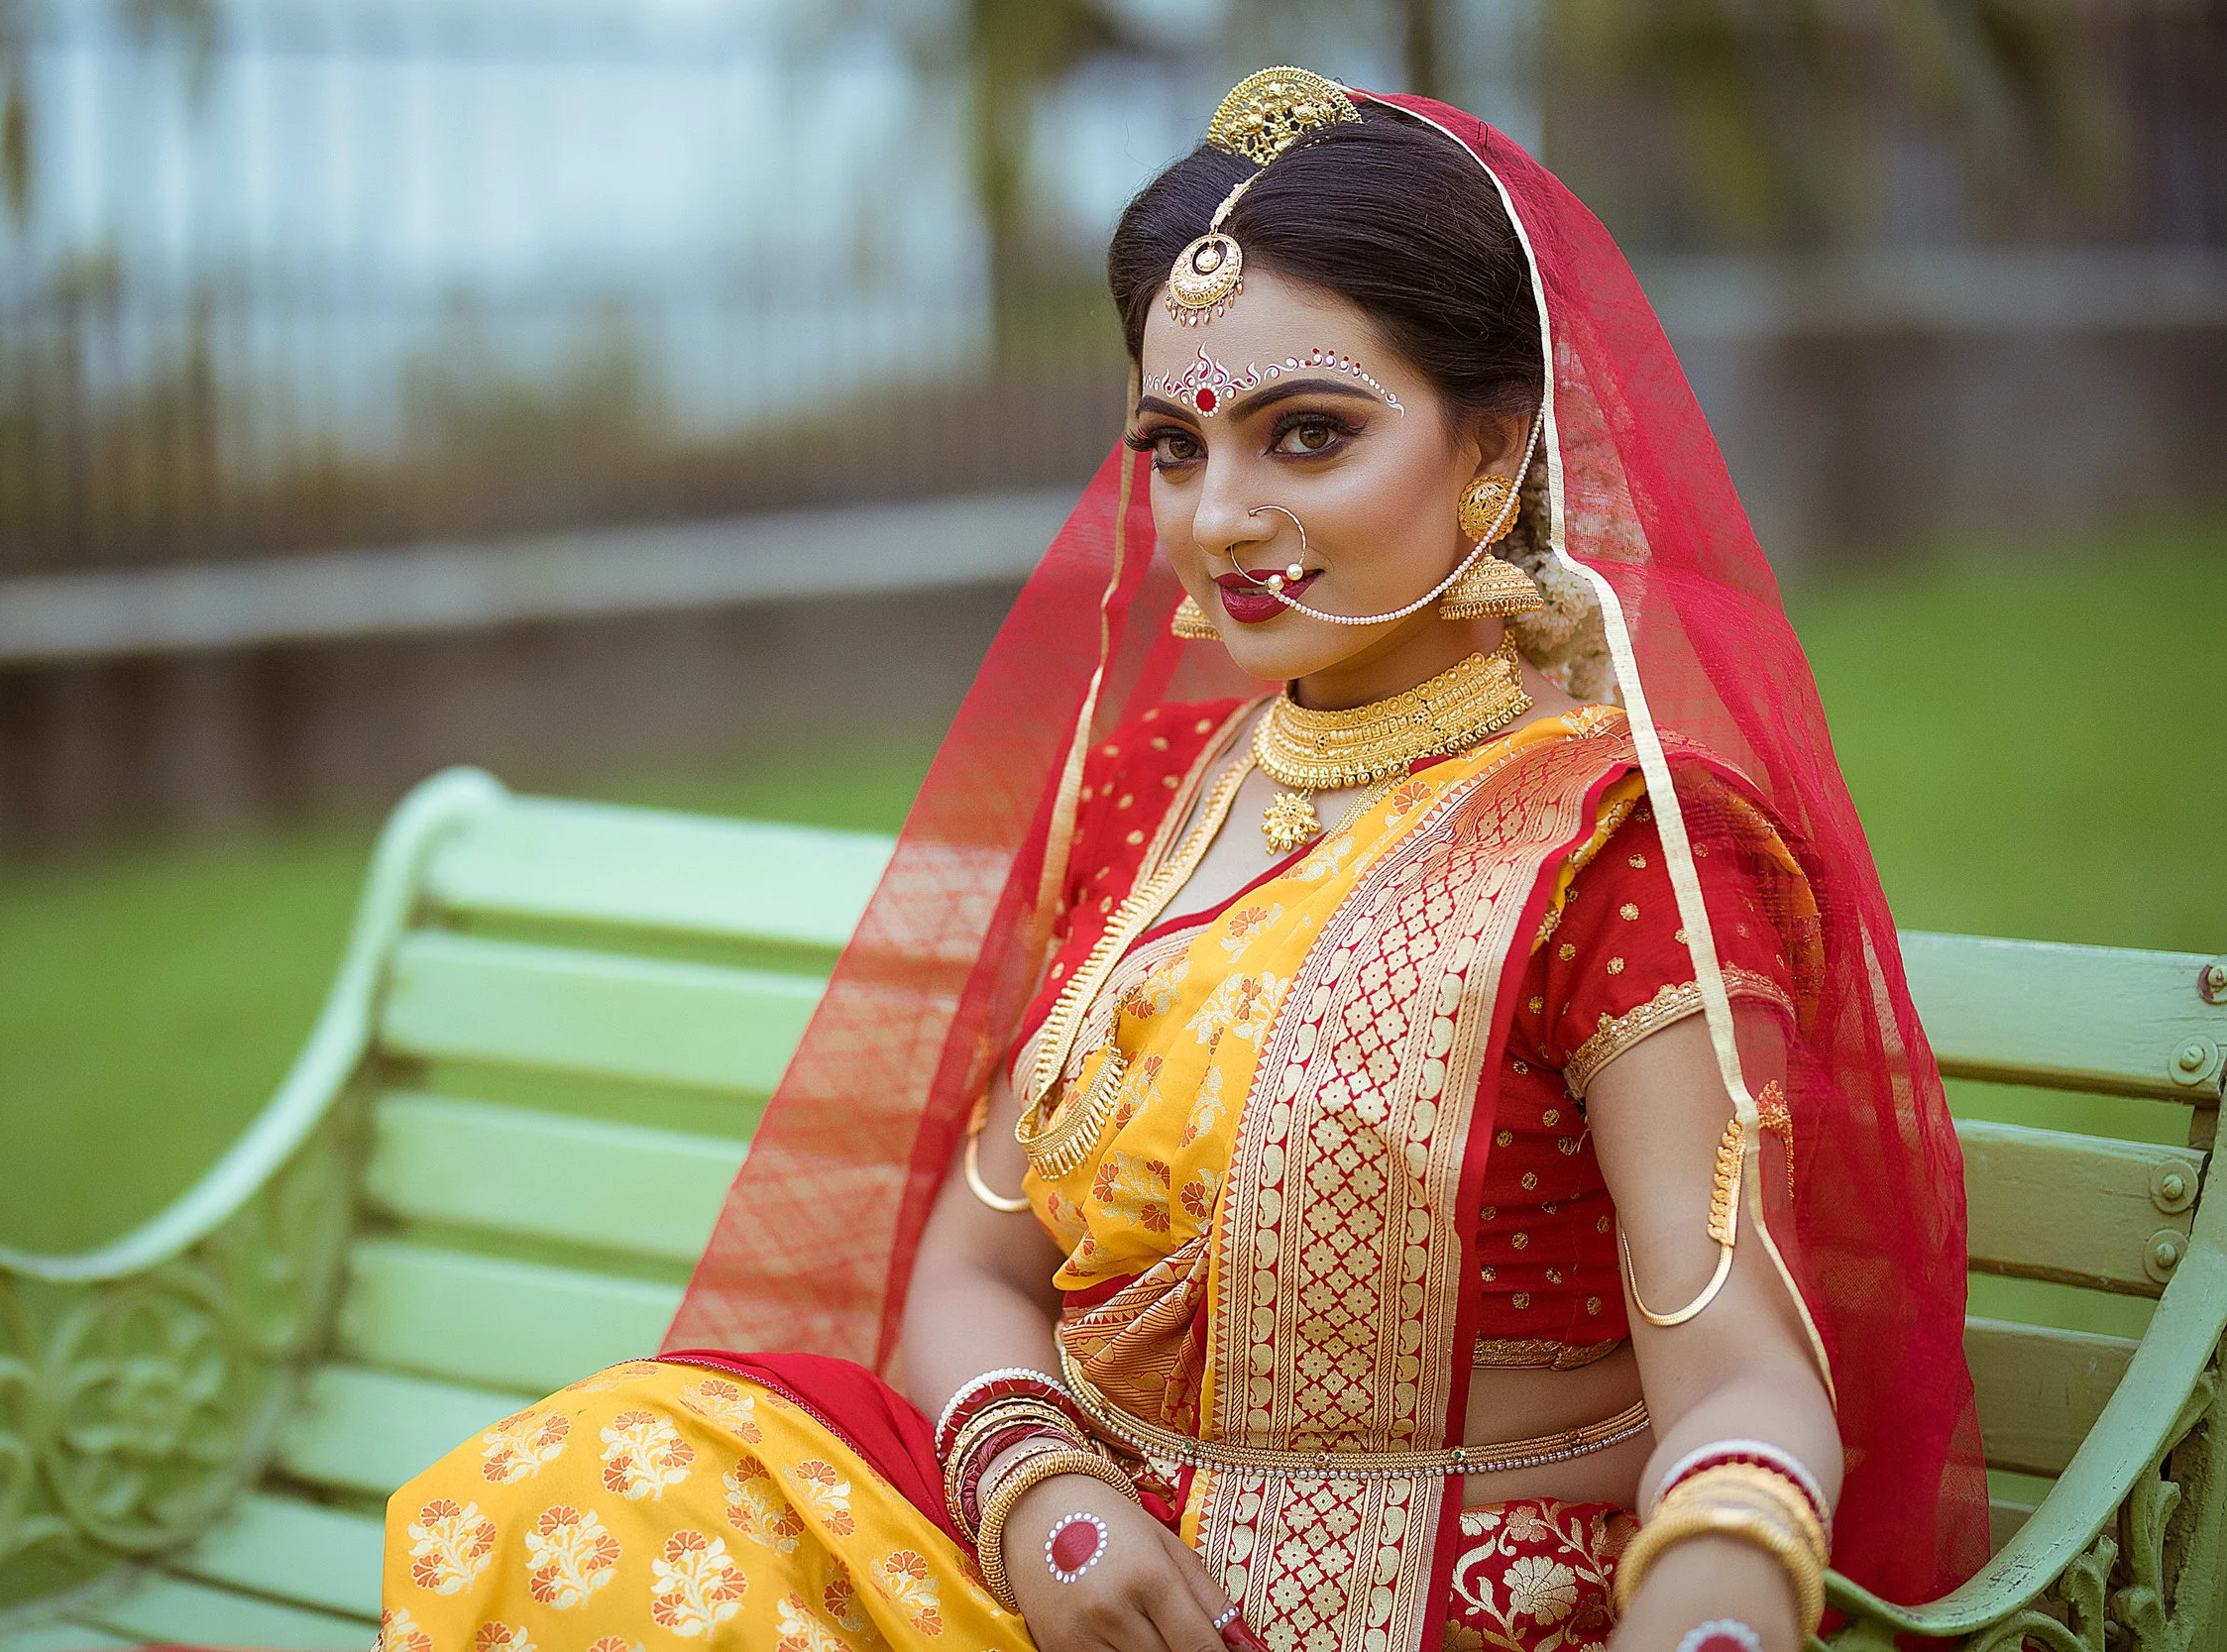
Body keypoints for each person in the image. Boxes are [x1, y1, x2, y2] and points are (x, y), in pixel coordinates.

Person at [378, 71, 1985, 1652]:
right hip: (1050, 1583)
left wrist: (1720, 1600)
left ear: (1494, 452)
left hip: (1428, 1608)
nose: (1221, 516)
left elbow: (1745, 1377)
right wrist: (1046, 1498)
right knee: (563, 1491)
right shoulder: (1151, 788)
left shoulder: (1625, 847)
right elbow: (973, 1259)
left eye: (1308, 434)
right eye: (1174, 444)